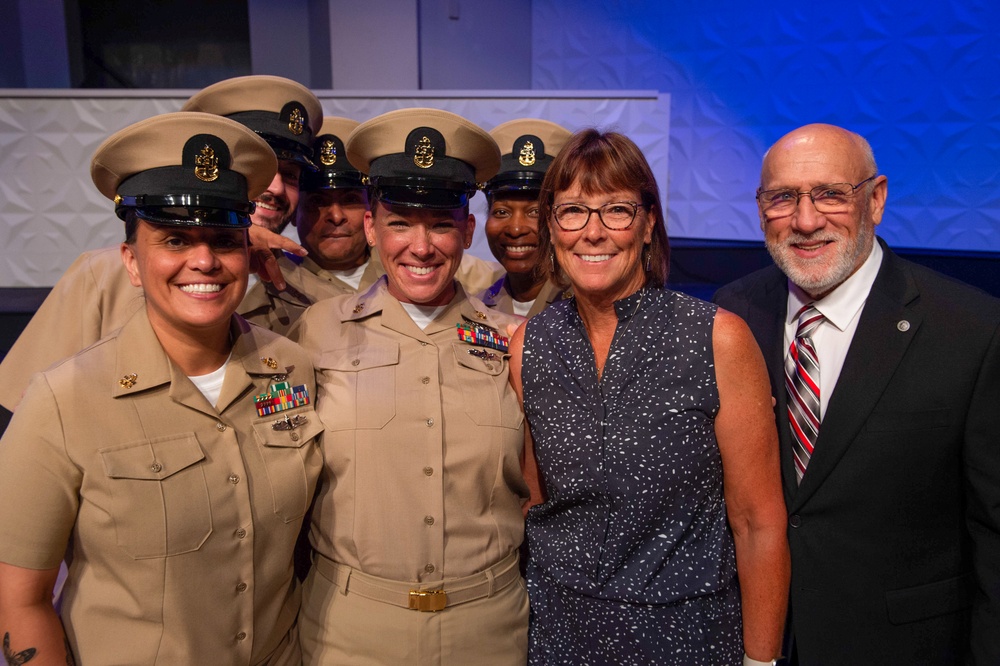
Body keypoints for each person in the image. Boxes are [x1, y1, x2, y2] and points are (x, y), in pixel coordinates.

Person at [0, 112, 323, 664]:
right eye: (174, 239)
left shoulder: (291, 368)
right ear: (130, 260)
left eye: (224, 239)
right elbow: (21, 603)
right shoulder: (63, 399)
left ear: (247, 253)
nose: (204, 261)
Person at [714, 123, 1000, 665]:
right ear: (759, 209)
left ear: (876, 200)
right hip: (758, 643)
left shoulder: (973, 332)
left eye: (829, 194)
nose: (805, 220)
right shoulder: (734, 314)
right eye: (782, 198)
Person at [509, 129, 789, 665]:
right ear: (551, 224)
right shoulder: (532, 345)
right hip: (561, 637)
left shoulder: (715, 338)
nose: (593, 232)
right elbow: (535, 504)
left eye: (616, 209)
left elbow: (758, 522)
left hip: (687, 638)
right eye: (572, 211)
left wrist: (760, 661)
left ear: (648, 222)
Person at [289, 108, 529, 664]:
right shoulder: (315, 332)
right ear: (372, 226)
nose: (420, 247)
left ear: (468, 231)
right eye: (399, 222)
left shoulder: (516, 342)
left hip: (487, 629)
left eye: (441, 223)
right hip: (348, 631)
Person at [0, 75, 320, 414]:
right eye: (255, 170)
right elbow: (23, 410)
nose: (276, 189)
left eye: (290, 176)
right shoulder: (103, 275)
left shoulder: (307, 293)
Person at [239, 116, 379, 334]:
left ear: (372, 212)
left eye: (350, 200)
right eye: (317, 202)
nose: (335, 216)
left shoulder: (411, 271)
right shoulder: (268, 284)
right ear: (295, 213)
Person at [479, 118, 572, 317]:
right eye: (501, 212)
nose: (516, 229)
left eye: (535, 212)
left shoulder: (589, 304)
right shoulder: (477, 307)